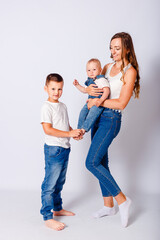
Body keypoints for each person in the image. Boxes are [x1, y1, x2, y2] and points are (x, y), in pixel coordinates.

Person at [83, 32, 140, 227]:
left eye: (117, 48)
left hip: (111, 119)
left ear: (127, 48)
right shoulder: (106, 67)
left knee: (91, 162)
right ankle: (108, 206)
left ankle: (122, 200)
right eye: (111, 47)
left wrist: (98, 101)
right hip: (98, 116)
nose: (113, 51)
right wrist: (91, 92)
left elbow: (121, 103)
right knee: (101, 160)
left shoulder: (130, 71)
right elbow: (96, 86)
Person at [40, 73, 82, 231]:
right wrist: (68, 134)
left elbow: (65, 125)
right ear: (46, 89)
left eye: (59, 89)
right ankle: (47, 216)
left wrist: (73, 132)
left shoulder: (63, 106)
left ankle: (57, 208)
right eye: (53, 88)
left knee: (59, 182)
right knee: (49, 184)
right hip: (53, 149)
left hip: (65, 148)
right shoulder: (46, 107)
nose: (56, 92)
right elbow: (48, 129)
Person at [73, 58, 110, 134]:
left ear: (100, 70)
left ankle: (84, 129)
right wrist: (77, 85)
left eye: (94, 69)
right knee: (82, 112)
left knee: (92, 114)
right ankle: (79, 129)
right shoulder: (90, 81)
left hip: (98, 103)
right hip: (89, 102)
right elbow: (84, 90)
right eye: (89, 70)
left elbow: (107, 91)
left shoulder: (101, 80)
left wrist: (101, 100)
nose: (91, 72)